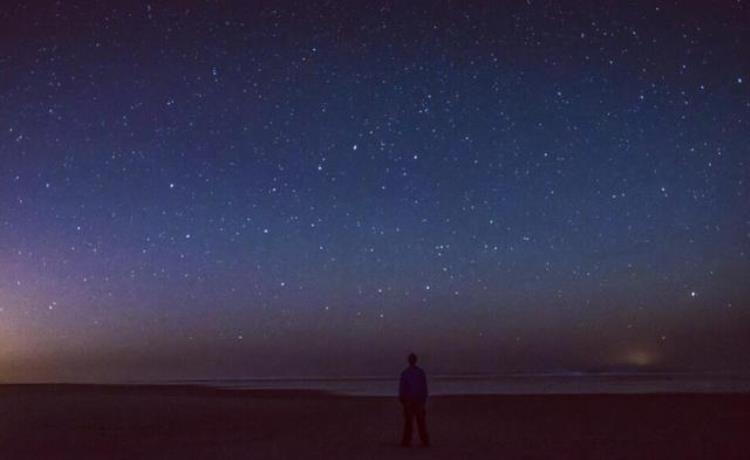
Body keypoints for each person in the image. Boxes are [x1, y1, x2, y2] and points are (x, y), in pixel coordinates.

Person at [399, 352, 430, 447]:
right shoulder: (420, 372)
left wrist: (402, 399)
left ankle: (407, 441)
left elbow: (402, 388)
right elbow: (424, 387)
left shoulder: (405, 373)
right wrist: (424, 398)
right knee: (420, 422)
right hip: (417, 399)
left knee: (409, 422)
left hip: (410, 399)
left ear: (409, 361)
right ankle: (424, 441)